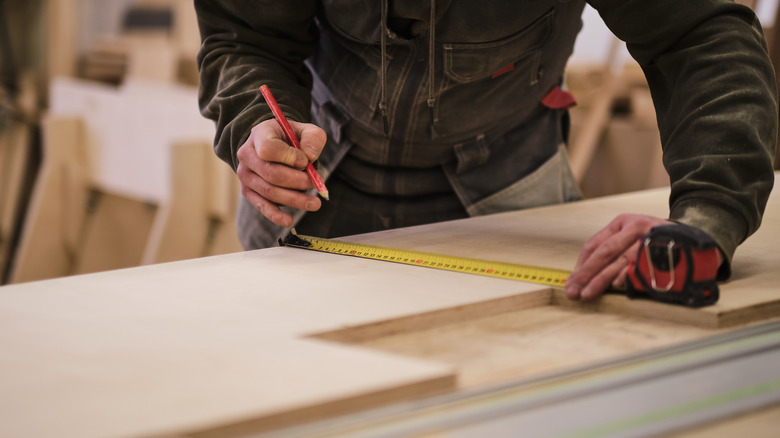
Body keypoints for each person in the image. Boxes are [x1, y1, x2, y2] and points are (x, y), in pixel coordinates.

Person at [194, 1, 777, 302]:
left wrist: (707, 218)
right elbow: (246, 37)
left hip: (511, 197)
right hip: (315, 189)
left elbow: (699, 36)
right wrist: (256, 121)